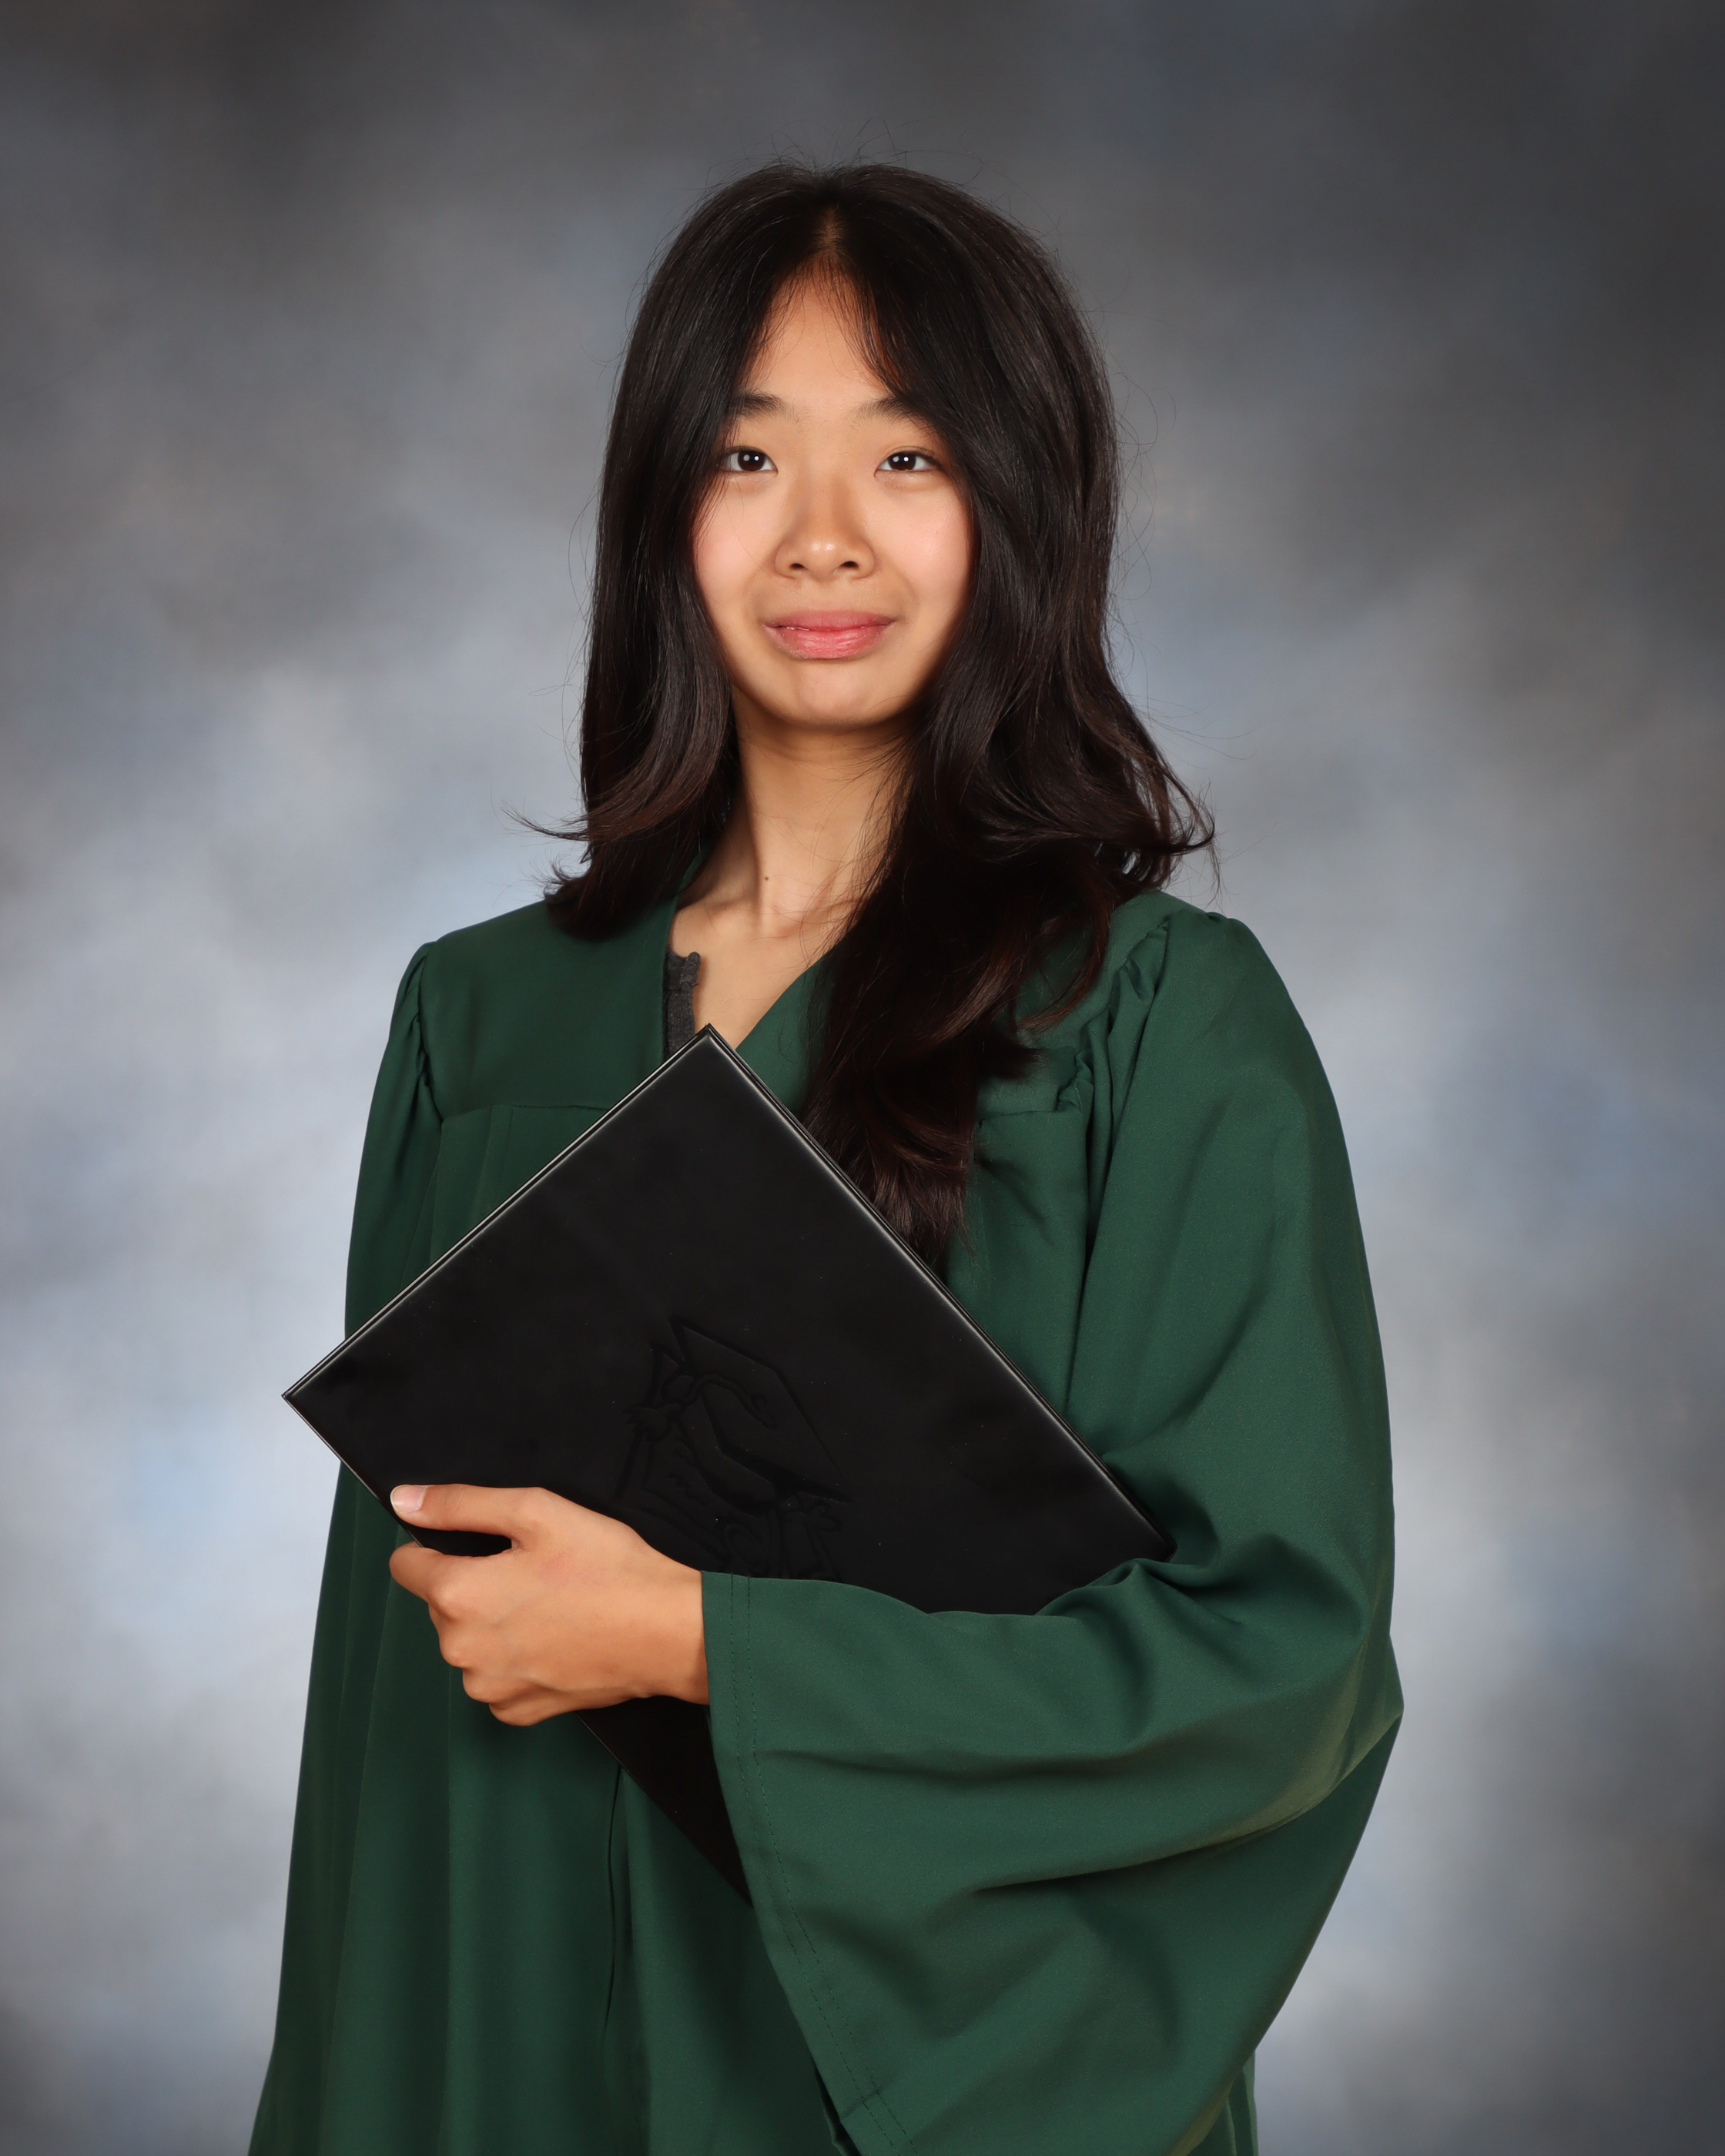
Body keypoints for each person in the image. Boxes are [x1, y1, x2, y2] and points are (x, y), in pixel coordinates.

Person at [250, 161, 1401, 2156]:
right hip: (507, 2022)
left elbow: (1271, 1669)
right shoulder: (480, 1023)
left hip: (895, 2083)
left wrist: (708, 1647)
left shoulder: (1152, 1026)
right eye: (747, 456)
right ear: (661, 511)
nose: (823, 536)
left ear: (1019, 506)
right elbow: (382, 1705)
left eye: (909, 455)